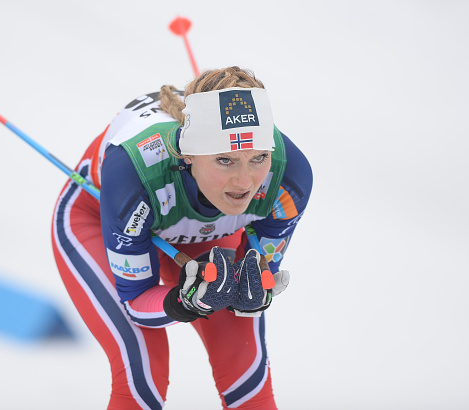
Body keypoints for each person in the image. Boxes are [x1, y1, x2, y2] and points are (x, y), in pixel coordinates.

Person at [51, 67, 312, 409]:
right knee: (142, 375)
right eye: (225, 161)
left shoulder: (288, 175)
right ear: (188, 155)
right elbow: (136, 303)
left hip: (203, 231)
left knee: (247, 376)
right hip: (101, 217)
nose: (245, 182)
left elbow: (254, 277)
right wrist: (187, 301)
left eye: (258, 158)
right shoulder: (134, 172)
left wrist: (252, 292)